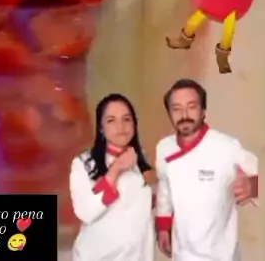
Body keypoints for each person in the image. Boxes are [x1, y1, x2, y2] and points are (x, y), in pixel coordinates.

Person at [155, 78, 259, 260]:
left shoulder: (227, 147)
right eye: (176, 108)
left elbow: (256, 172)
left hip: (222, 255)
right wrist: (163, 227)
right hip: (183, 254)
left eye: (191, 107)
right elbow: (165, 189)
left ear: (203, 111)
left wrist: (252, 186)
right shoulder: (164, 147)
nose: (184, 115)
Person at [70, 93, 154, 261]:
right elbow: (85, 212)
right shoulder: (84, 163)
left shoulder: (142, 163)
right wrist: (115, 171)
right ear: (101, 128)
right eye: (111, 120)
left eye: (126, 119)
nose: (120, 126)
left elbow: (144, 225)